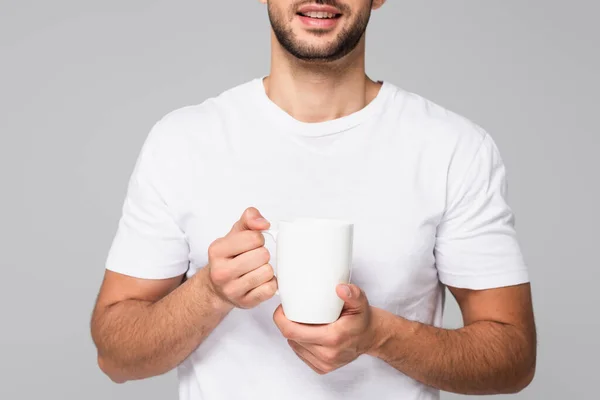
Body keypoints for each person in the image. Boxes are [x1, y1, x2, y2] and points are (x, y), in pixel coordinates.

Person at [90, 1, 537, 399]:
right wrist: (209, 292)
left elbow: (514, 360)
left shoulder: (453, 148)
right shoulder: (182, 142)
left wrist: (379, 336)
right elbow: (115, 356)